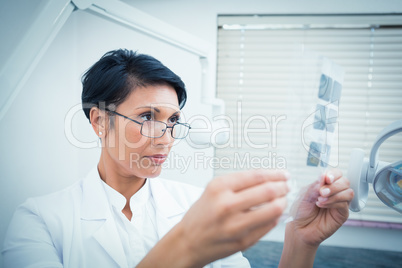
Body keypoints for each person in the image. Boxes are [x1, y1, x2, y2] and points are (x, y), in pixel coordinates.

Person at [2, 49, 354, 268]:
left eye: (172, 122)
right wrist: (186, 246)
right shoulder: (39, 221)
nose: (166, 139)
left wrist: (300, 240)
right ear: (99, 121)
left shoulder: (194, 206)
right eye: (146, 117)